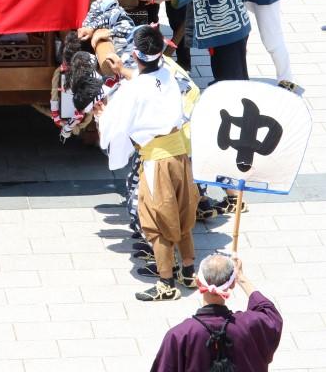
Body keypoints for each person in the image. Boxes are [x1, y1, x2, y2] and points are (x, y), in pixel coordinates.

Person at [95, 25, 199, 303]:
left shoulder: (133, 90)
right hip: (181, 155)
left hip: (157, 161)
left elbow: (115, 128)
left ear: (135, 54)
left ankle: (166, 283)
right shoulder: (169, 74)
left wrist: (101, 116)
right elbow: (145, 82)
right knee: (183, 215)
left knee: (156, 223)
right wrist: (124, 73)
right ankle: (188, 271)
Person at [150, 253, 283, 371]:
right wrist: (242, 278)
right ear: (232, 284)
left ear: (198, 282)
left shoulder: (180, 335)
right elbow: (270, 313)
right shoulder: (250, 325)